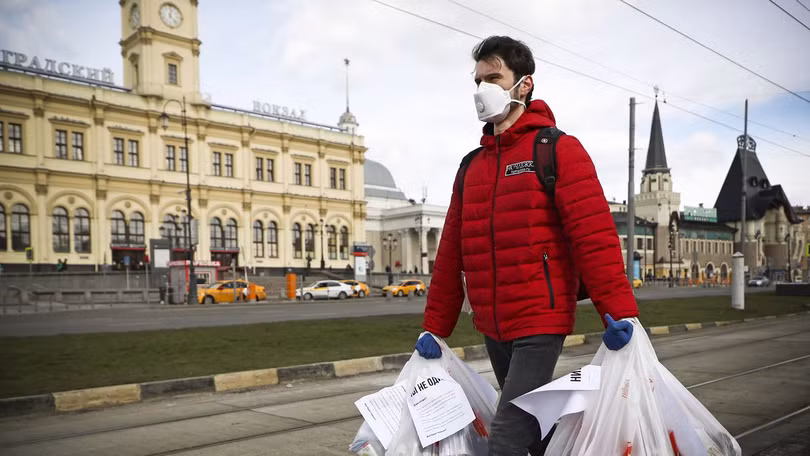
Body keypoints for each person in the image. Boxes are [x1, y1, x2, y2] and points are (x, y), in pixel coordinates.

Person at [415, 36, 638, 455]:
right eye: (478, 80)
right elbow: (451, 255)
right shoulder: (471, 167)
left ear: (524, 84)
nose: (483, 89)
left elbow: (594, 236)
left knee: (506, 439)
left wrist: (620, 312)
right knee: (535, 429)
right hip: (492, 323)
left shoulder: (557, 150)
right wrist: (436, 327)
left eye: (494, 78)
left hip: (540, 318)